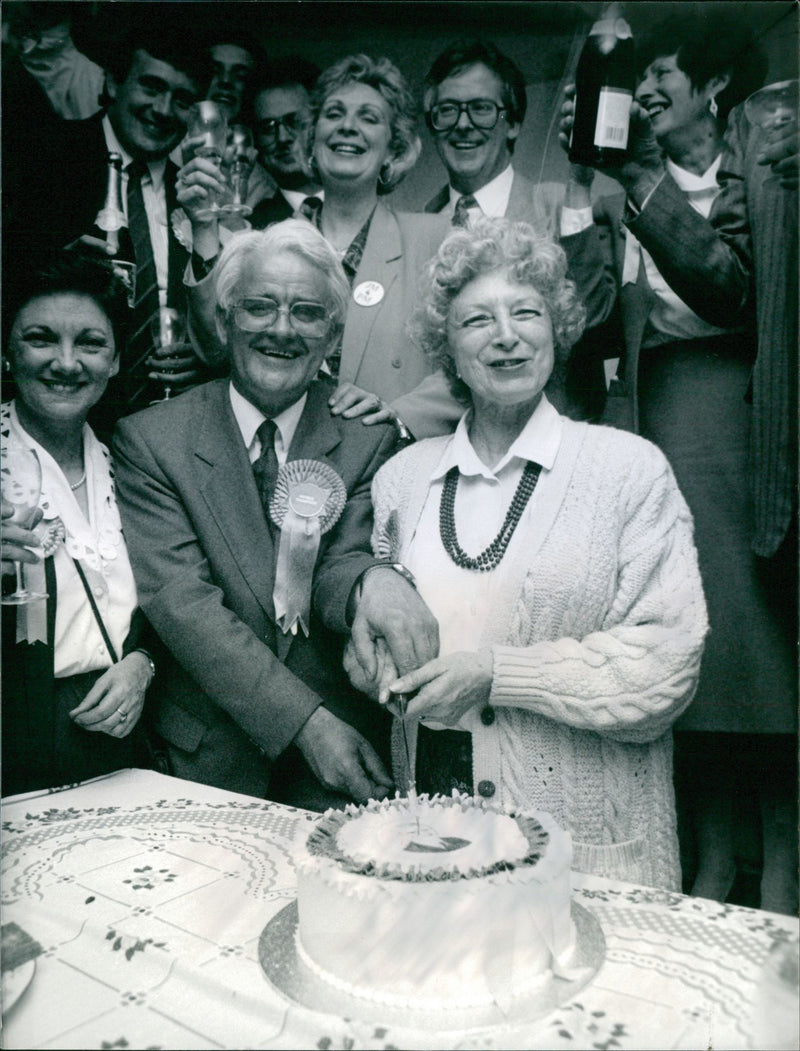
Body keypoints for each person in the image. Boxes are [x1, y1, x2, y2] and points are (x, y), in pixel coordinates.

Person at [346, 217, 708, 891]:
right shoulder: (403, 478)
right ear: (447, 350)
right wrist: (371, 663)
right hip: (439, 855)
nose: (506, 335)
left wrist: (495, 673)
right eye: (477, 320)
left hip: (591, 862)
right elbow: (388, 640)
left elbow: (666, 668)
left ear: (556, 330)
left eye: (526, 312)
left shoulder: (627, 470)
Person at [559, 12, 797, 914]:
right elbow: (581, 327)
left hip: (742, 429)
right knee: (679, 643)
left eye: (663, 75)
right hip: (649, 422)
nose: (645, 91)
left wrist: (648, 193)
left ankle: (781, 861)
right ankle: (712, 852)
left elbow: (730, 287)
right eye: (635, 79)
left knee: (760, 652)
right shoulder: (617, 191)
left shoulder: (767, 177)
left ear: (715, 88)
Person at [113, 220, 439, 807]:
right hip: (203, 766)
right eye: (259, 307)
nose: (281, 330)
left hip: (342, 776)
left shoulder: (368, 438)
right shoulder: (151, 441)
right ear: (223, 319)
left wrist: (376, 583)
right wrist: (309, 727)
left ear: (334, 335)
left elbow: (345, 560)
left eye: (307, 313)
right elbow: (185, 607)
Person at [180, 53, 458, 439]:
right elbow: (216, 350)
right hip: (284, 463)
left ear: (393, 149)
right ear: (310, 141)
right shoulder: (265, 241)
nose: (348, 126)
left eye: (368, 117)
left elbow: (473, 360)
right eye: (334, 114)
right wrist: (204, 228)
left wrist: (397, 417)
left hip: (398, 464)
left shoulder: (439, 241)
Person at [2, 16, 212, 438]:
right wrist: (53, 265)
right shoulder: (43, 156)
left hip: (161, 427)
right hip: (50, 415)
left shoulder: (194, 191)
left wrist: (204, 354)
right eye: (151, 87)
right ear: (114, 83)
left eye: (182, 98)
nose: (162, 109)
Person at [1, 251, 157, 797]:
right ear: (7, 350)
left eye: (89, 343)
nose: (66, 363)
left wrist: (143, 664)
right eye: (41, 338)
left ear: (115, 360)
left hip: (126, 741)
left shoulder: (136, 461)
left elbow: (171, 594)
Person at [421, 39, 544, 226]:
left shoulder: (559, 210)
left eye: (481, 108)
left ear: (512, 123)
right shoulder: (417, 228)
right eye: (447, 109)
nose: (462, 124)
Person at [249, 55, 323, 228]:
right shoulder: (252, 226)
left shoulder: (360, 207)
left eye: (295, 121)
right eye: (267, 127)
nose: (282, 138)